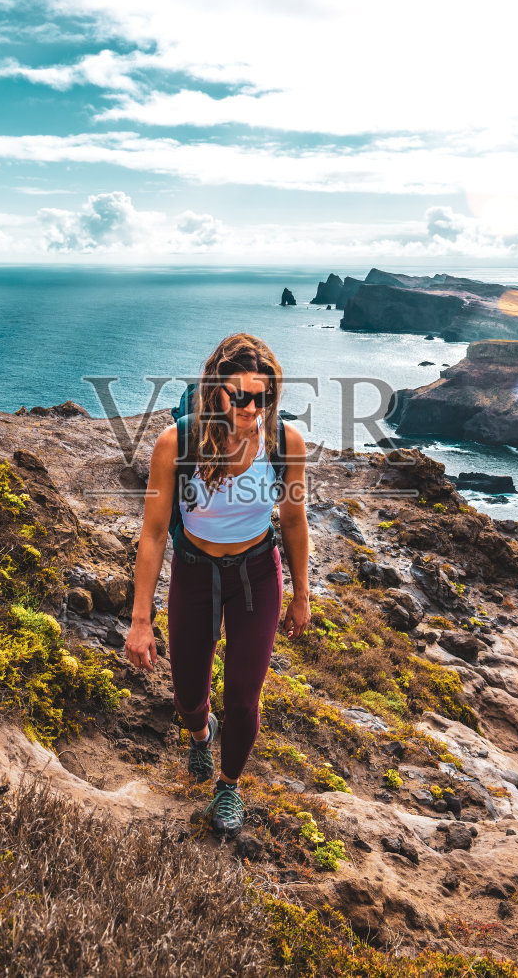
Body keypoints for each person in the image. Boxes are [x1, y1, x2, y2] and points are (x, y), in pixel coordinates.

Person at [125, 333, 311, 834]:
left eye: (263, 397)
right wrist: (140, 620)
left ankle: (228, 788)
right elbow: (154, 533)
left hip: (256, 575)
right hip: (194, 572)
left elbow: (294, 521)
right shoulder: (176, 443)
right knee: (188, 694)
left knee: (243, 699)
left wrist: (301, 595)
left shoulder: (285, 443)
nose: (252, 408)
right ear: (215, 391)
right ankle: (199, 734)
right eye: (240, 395)